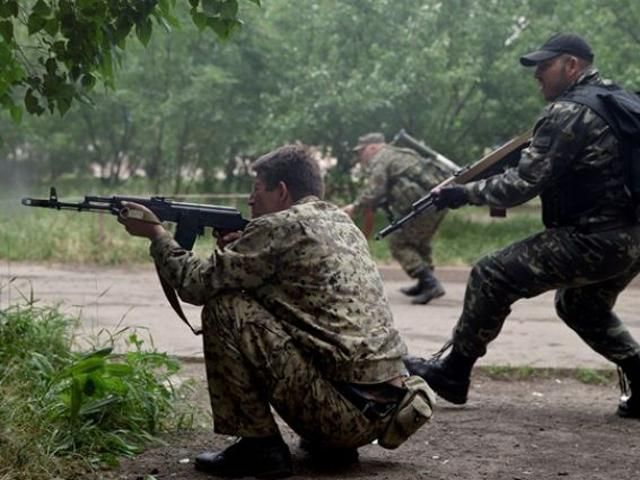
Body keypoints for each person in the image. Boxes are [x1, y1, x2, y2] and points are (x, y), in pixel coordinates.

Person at [118, 144, 435, 479]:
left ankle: (260, 448)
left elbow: (195, 285)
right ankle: (331, 446)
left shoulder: (280, 226)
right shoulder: (341, 222)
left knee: (225, 308)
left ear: (281, 191)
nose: (251, 201)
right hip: (385, 411)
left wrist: (157, 234)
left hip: (339, 417)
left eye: (257, 190)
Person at [405, 33, 640, 419]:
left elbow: (521, 185)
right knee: (580, 306)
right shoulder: (618, 99)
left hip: (595, 238)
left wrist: (464, 193)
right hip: (632, 236)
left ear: (571, 65)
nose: (537, 76)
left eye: (544, 67)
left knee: (491, 272)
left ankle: (454, 372)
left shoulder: (567, 112)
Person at [344, 133, 454, 305]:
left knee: (399, 244)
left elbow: (374, 191)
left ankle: (430, 284)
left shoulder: (382, 158)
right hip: (437, 201)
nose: (360, 156)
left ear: (373, 147)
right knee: (419, 243)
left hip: (424, 204)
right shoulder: (398, 153)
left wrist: (355, 207)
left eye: (361, 151)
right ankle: (424, 283)